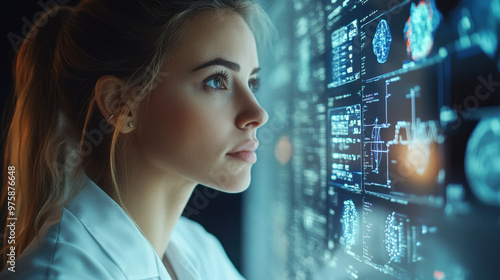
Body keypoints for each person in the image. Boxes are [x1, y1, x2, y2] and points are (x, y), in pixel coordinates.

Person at [0, 0, 273, 279]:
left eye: (252, 83)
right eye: (216, 80)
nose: (257, 113)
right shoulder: (57, 273)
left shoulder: (199, 250)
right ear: (121, 103)